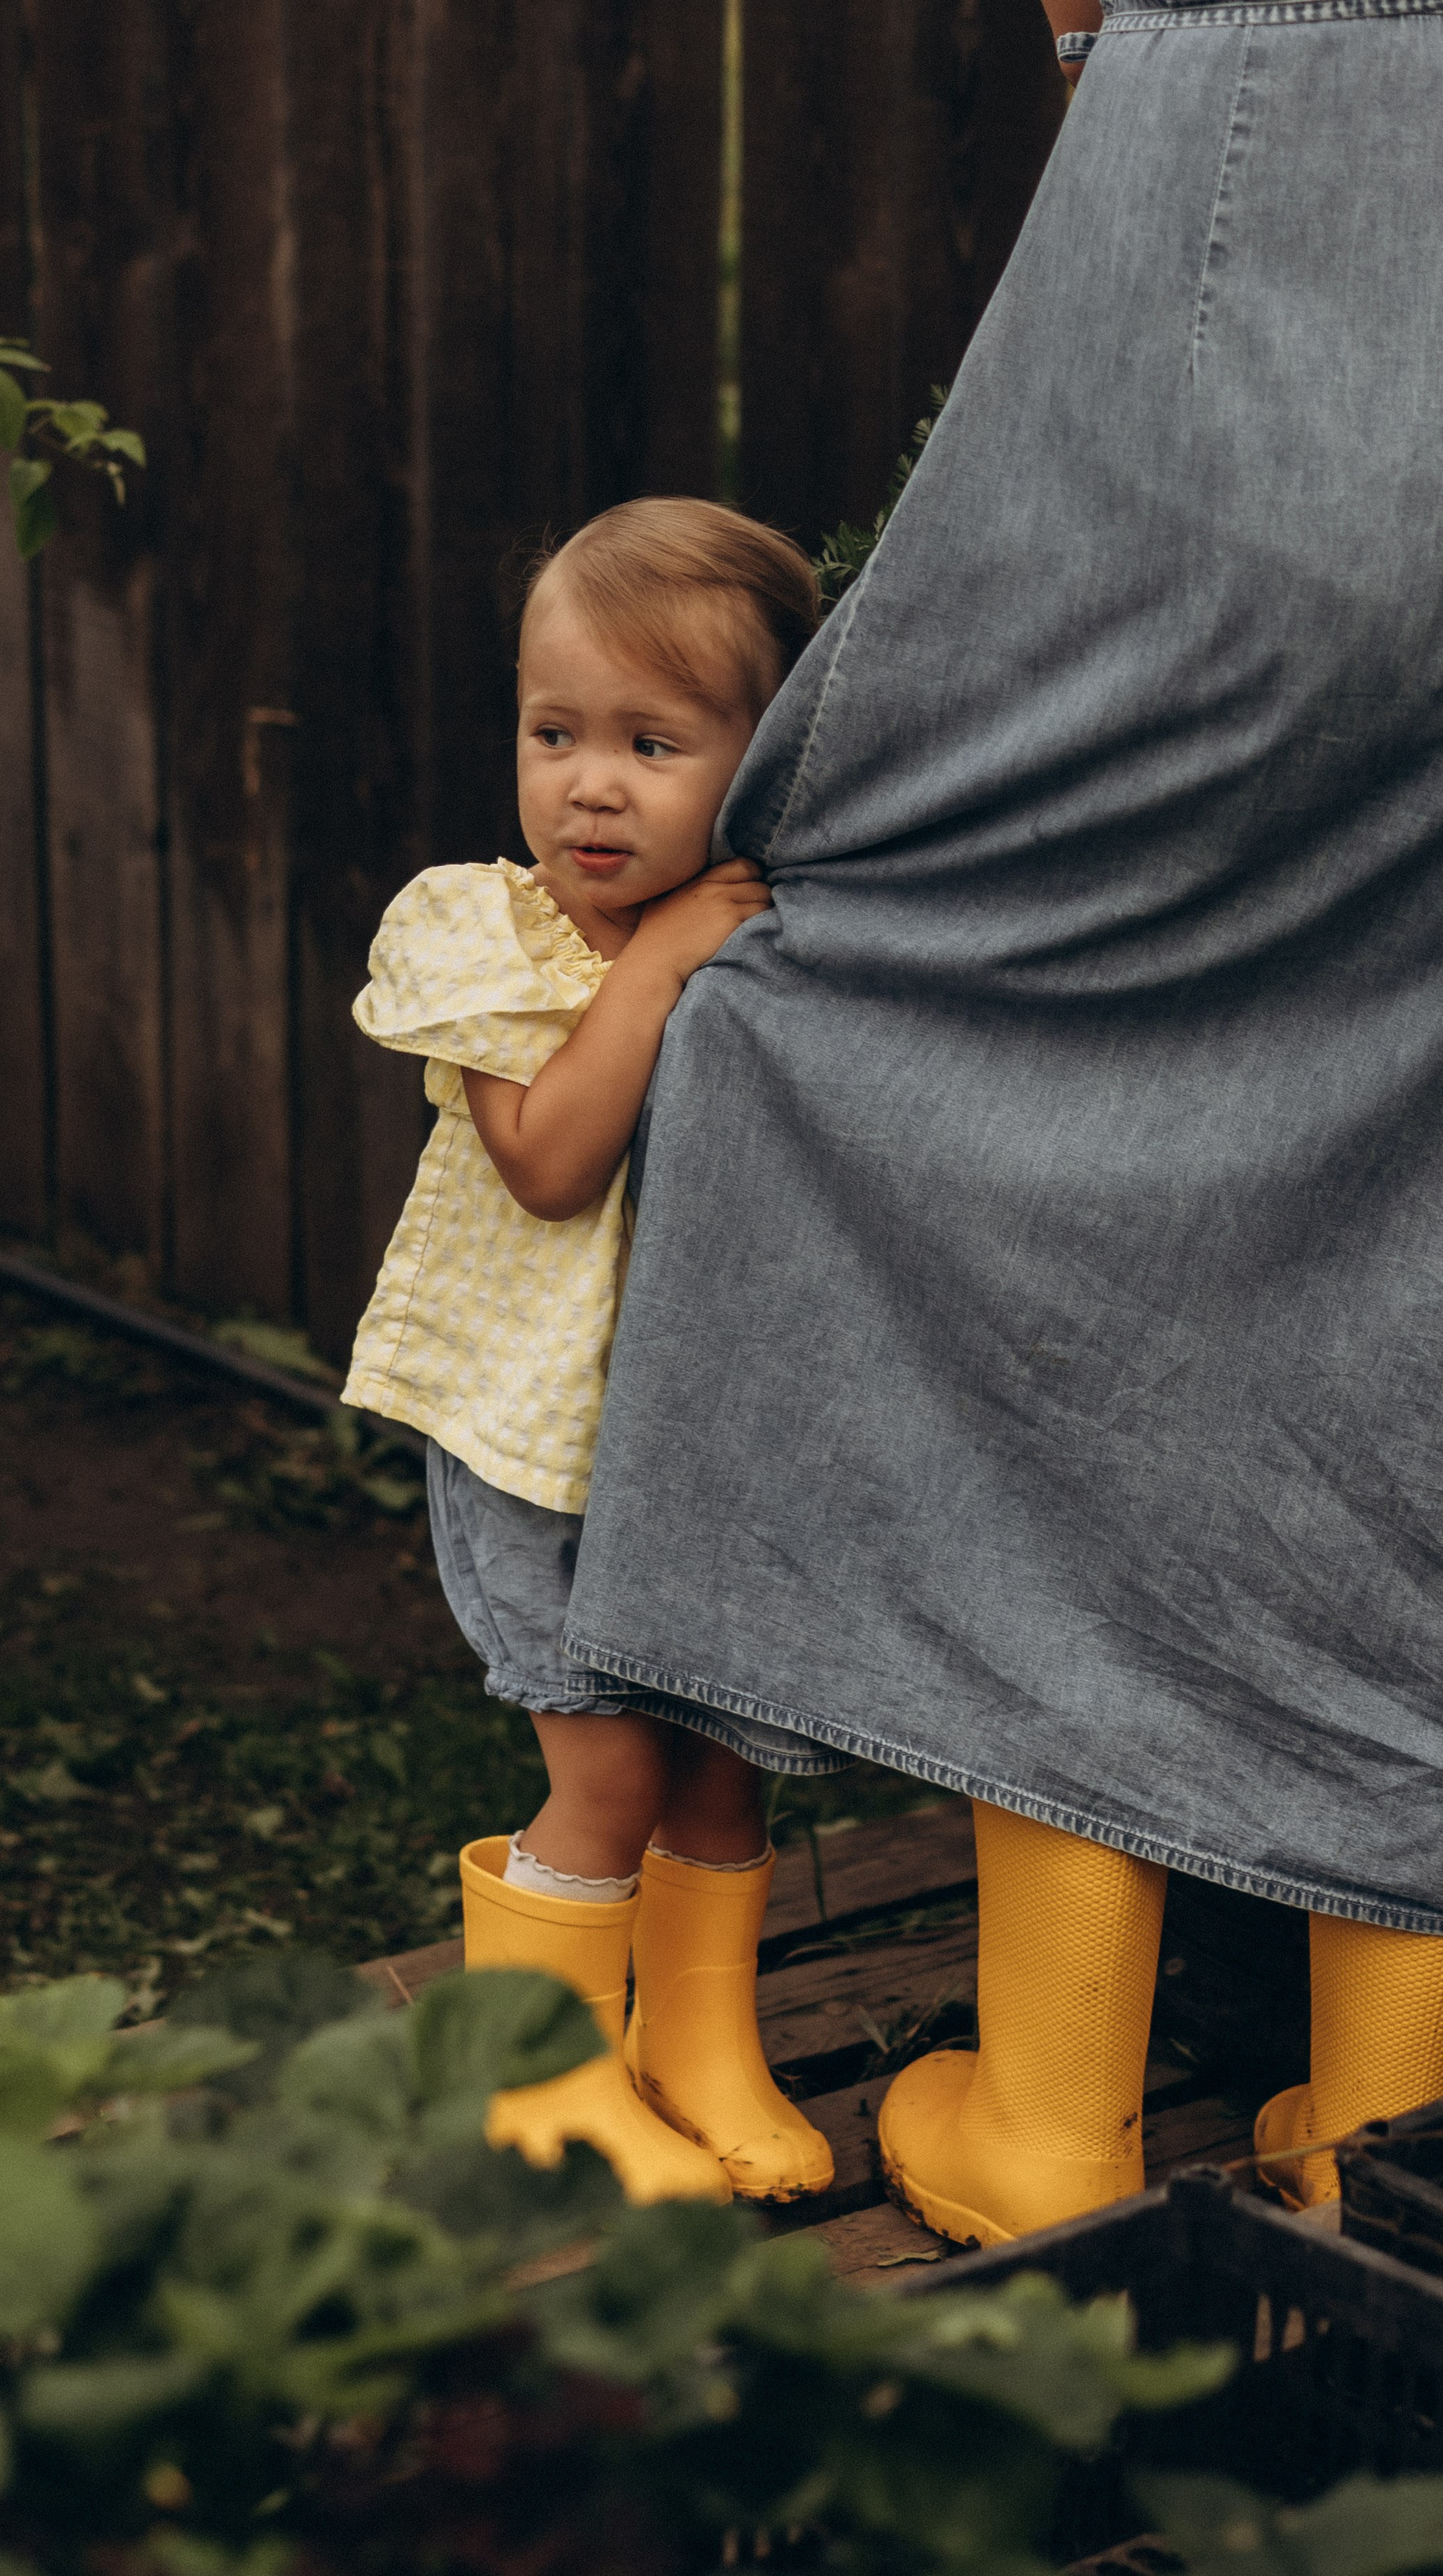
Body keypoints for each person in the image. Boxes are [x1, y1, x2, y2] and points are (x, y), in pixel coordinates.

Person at [560, 0, 1443, 2244]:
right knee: (1369, 1468)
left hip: (1163, 833)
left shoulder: (1241, 74)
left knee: (1040, 1402)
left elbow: (1058, 578)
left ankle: (1047, 2125)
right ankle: (1371, 2155)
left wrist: (813, 862)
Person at [341, 498, 843, 2205]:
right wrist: (663, 966)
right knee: (608, 1760)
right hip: (529, 1432)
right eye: (553, 734)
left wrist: (727, 941)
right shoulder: (480, 930)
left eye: (653, 740)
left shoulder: (789, 937)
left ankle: (697, 2043)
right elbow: (547, 1161)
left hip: (703, 1430)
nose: (588, 786)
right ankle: (543, 2081)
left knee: (718, 1757)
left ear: (761, 764)